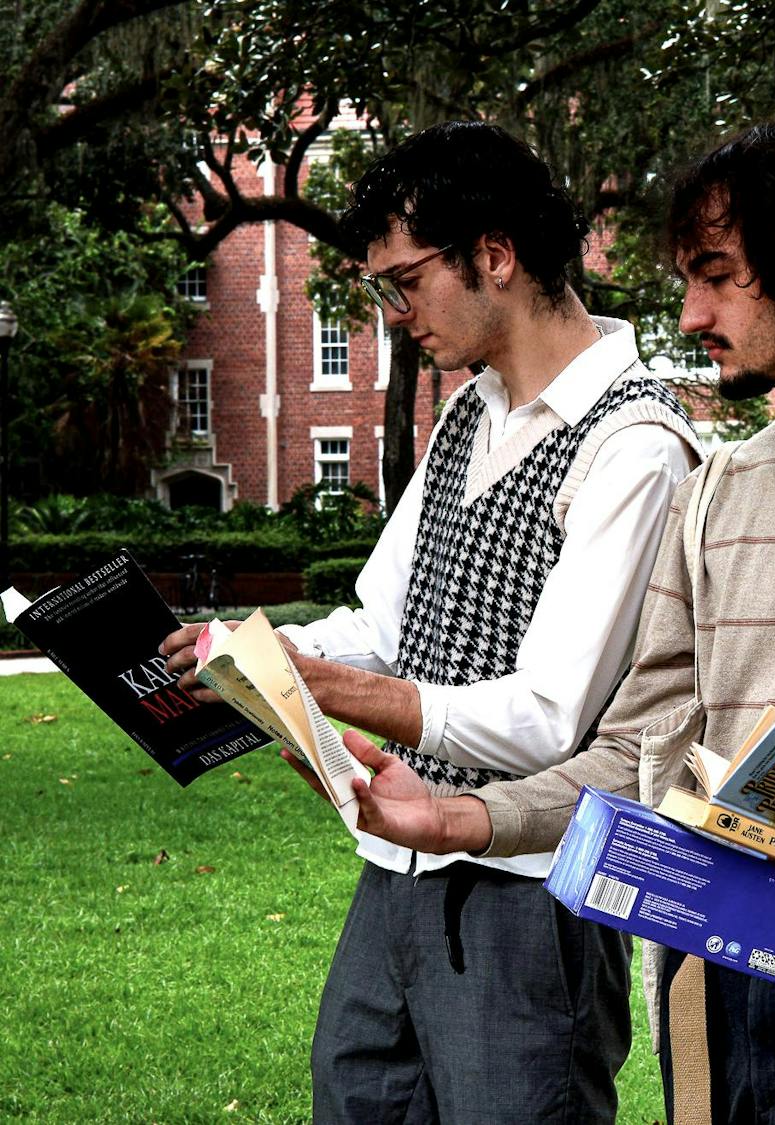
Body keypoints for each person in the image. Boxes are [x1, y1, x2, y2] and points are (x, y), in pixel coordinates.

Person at [325, 122, 775, 1124]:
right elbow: (642, 752)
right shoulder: (719, 493)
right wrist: (462, 818)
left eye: (716, 276)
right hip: (715, 961)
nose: (691, 312)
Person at [161, 120, 700, 1123]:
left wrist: (331, 688)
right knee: (353, 1095)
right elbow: (381, 620)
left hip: (530, 888)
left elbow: (550, 716)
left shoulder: (637, 444)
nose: (393, 313)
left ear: (493, 255)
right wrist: (252, 651)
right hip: (397, 862)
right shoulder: (468, 412)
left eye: (403, 281)